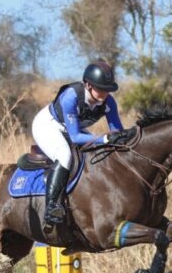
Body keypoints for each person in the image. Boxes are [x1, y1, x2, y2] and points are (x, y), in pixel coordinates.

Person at [31, 59, 124, 226]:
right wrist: (103, 138)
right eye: (101, 89)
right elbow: (75, 137)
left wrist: (122, 138)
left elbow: (117, 132)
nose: (105, 94)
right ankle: (51, 207)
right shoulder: (71, 97)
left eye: (108, 90)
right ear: (88, 85)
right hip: (49, 125)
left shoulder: (108, 102)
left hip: (73, 129)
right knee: (64, 155)